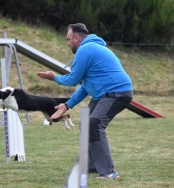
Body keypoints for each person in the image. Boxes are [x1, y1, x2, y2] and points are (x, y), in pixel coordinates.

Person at [36, 23, 133, 180]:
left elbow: (73, 79)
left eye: (68, 39)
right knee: (87, 124)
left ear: (76, 38)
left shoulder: (85, 50)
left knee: (94, 124)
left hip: (117, 92)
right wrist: (67, 105)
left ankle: (109, 172)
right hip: (104, 94)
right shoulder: (90, 50)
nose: (67, 43)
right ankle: (92, 165)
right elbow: (85, 87)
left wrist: (54, 78)